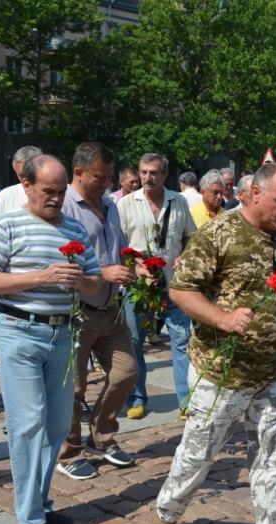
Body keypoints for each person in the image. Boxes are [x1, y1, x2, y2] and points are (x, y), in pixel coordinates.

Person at [152, 162, 276, 524]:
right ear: (254, 194)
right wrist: (222, 319)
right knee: (199, 455)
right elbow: (181, 290)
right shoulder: (219, 234)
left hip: (270, 371)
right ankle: (167, 511)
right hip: (220, 371)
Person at [0, 154, 103, 524]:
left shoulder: (73, 227)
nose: (57, 199)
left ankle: (40, 504)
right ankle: (30, 516)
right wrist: (42, 276)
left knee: (57, 426)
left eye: (62, 191)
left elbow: (97, 284)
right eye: (49, 191)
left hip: (63, 335)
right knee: (28, 423)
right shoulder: (7, 224)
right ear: (27, 186)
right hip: (18, 332)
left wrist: (83, 282)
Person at [55, 142, 141, 480]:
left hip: (112, 308)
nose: (107, 184)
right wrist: (103, 273)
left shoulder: (110, 205)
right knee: (72, 388)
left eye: (109, 177)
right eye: (100, 177)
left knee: (126, 373)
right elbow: (60, 260)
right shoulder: (62, 206)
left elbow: (116, 247)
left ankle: (101, 438)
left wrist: (136, 263)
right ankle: (69, 451)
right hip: (77, 310)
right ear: (78, 172)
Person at [117, 153, 196, 417]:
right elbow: (118, 246)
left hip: (173, 285)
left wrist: (185, 255)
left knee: (183, 339)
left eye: (153, 173)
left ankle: (186, 401)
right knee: (134, 341)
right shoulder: (126, 203)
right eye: (143, 172)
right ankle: (136, 399)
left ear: (165, 174)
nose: (147, 178)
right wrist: (136, 267)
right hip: (138, 286)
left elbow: (190, 237)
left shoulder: (179, 201)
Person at [0, 146, 43, 221]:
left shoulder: (60, 194)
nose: (25, 180)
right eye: (21, 175)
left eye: (29, 174)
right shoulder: (4, 196)